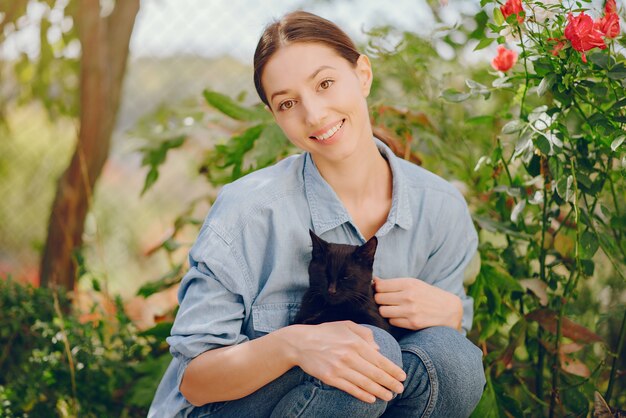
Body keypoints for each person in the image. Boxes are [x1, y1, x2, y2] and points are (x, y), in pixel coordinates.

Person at [149, 10, 485, 418]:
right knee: (368, 348)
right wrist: (293, 346)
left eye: (325, 83)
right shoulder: (249, 211)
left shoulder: (440, 208)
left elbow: (437, 355)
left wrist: (451, 314)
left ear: (362, 74)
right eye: (287, 103)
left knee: (456, 360)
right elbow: (195, 381)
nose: (314, 114)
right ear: (276, 117)